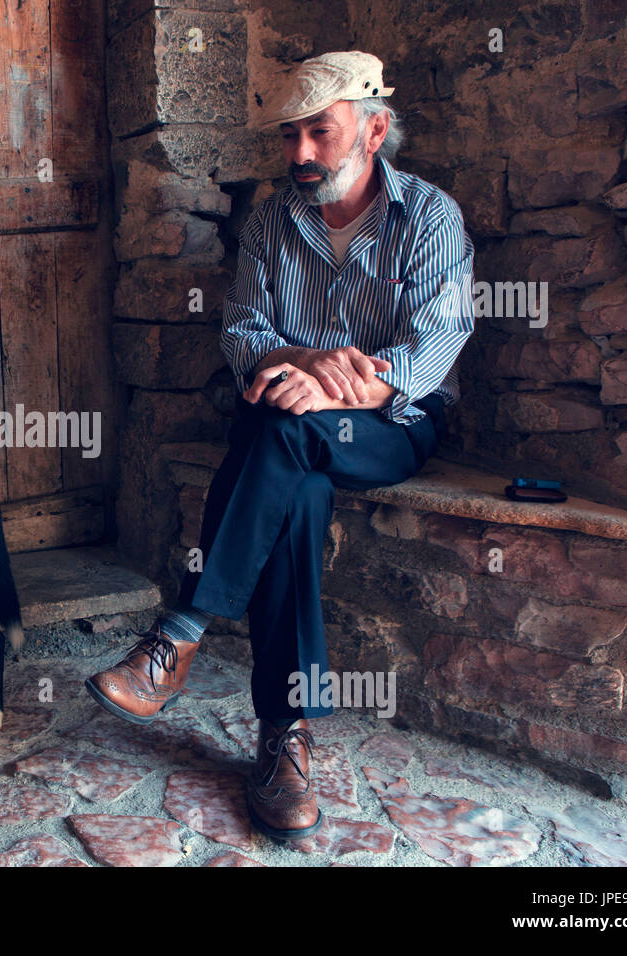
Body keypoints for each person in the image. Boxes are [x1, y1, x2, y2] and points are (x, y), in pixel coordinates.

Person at [85, 51, 476, 841]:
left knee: (284, 427)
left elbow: (429, 355)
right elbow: (243, 337)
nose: (299, 154)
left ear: (373, 129)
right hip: (288, 425)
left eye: (318, 134)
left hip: (394, 427)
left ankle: (182, 634)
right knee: (293, 472)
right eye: (290, 136)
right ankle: (284, 742)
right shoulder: (272, 220)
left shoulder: (430, 218)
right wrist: (304, 362)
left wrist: (328, 385)